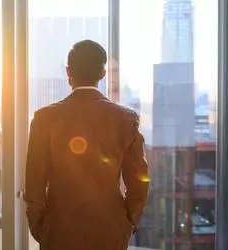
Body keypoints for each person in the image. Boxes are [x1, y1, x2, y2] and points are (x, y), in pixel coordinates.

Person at [24, 40, 150, 250]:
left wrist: (42, 228)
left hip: (57, 233)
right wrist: (126, 223)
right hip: (110, 234)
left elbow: (34, 184)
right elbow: (139, 184)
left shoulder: (44, 118)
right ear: (102, 73)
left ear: (68, 72)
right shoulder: (125, 119)